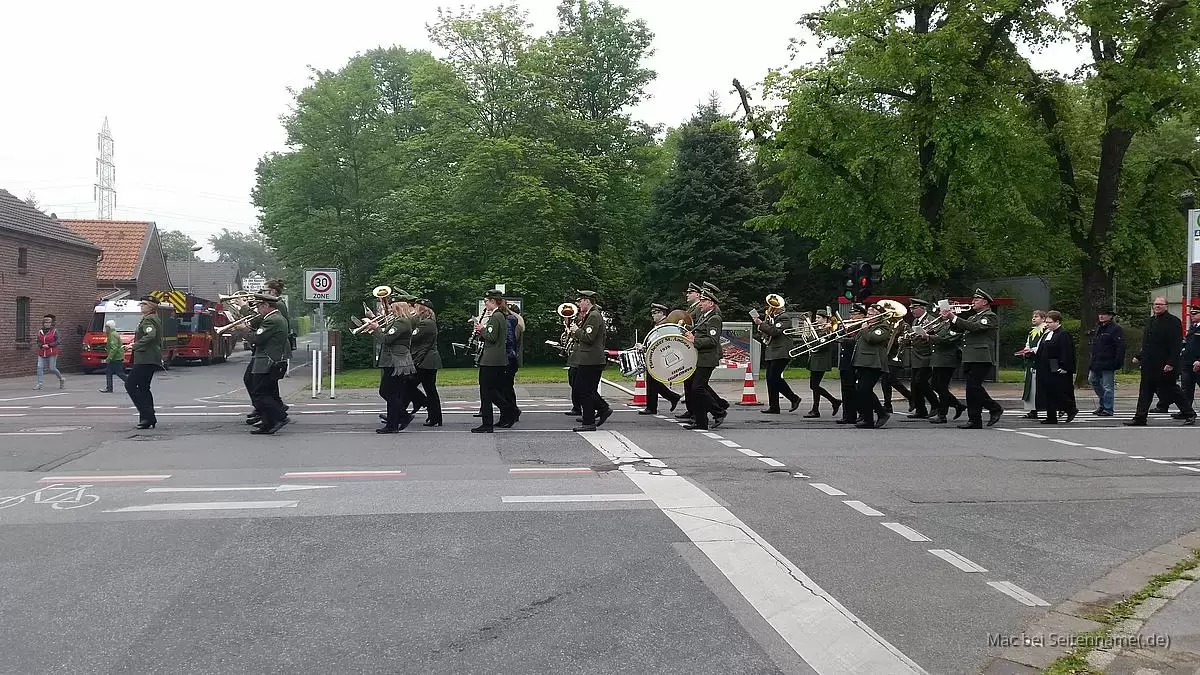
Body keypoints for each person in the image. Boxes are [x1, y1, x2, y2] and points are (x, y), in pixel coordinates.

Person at [1126, 297, 1196, 426]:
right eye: (1155, 304)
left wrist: (1171, 363)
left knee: (1171, 389)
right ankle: (1140, 417)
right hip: (1149, 363)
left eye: (1160, 304)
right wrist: (1139, 356)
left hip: (1164, 364)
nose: (1157, 306)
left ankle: (1189, 413)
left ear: (1166, 306)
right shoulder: (1151, 321)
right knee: (1145, 391)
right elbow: (1147, 343)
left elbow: (1176, 344)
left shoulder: (1173, 321)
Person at [942, 289, 1003, 429]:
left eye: (976, 300)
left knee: (973, 387)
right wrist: (951, 318)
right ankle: (975, 419)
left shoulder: (990, 316)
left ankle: (994, 408)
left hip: (982, 356)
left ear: (985, 302)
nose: (972, 302)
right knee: (971, 390)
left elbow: (975, 327)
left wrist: (954, 317)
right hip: (970, 356)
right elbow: (958, 330)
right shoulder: (972, 317)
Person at [473, 290, 519, 433]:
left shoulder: (496, 316)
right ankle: (510, 410)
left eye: (486, 301)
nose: (485, 304)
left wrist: (482, 329)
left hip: (491, 359)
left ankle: (489, 422)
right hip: (495, 359)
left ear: (493, 301)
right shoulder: (500, 315)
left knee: (486, 392)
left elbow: (492, 337)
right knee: (491, 391)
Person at [682, 288, 726, 430]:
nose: (700, 303)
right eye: (700, 301)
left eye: (703, 301)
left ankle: (718, 411)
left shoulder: (714, 319)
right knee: (696, 389)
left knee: (698, 389)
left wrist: (694, 340)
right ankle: (701, 421)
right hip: (700, 357)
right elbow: (699, 331)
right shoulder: (704, 316)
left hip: (707, 359)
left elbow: (712, 340)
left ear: (711, 303)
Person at [247, 294, 291, 435]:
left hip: (266, 361)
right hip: (270, 360)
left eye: (259, 307)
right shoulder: (277, 318)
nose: (258, 310)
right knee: (268, 393)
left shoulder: (272, 320)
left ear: (266, 306)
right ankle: (268, 423)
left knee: (260, 393)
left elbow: (257, 338)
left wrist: (243, 329)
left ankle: (280, 417)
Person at [569, 290, 612, 432]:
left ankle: (590, 421)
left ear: (587, 301)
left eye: (581, 301)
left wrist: (576, 330)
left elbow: (588, 338)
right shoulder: (591, 315)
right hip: (589, 359)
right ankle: (601, 409)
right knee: (585, 389)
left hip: (591, 360)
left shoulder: (593, 316)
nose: (578, 304)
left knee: (584, 390)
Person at [373, 296, 417, 434]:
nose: (390, 309)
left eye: (392, 307)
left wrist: (376, 329)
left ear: (398, 307)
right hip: (394, 360)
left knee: (387, 392)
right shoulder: (397, 321)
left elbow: (387, 339)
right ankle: (393, 423)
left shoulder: (402, 322)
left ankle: (402, 417)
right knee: (392, 393)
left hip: (395, 361)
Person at [753, 301, 802, 414]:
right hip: (773, 351)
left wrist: (761, 323)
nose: (772, 309)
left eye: (774, 307)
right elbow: (768, 331)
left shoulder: (784, 318)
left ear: (781, 308)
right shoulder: (774, 318)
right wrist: (762, 326)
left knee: (774, 378)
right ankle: (774, 406)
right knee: (770, 379)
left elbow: (775, 331)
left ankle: (794, 398)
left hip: (781, 352)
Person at [1033, 310, 1078, 424]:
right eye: (1047, 322)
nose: (1047, 324)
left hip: (1056, 366)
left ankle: (1070, 409)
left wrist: (1064, 366)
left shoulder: (1063, 334)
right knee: (1048, 392)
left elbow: (1066, 351)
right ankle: (1051, 417)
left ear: (1057, 322)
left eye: (1050, 322)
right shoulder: (1047, 334)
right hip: (1045, 367)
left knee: (1058, 391)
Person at [637, 303, 682, 416]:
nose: (652, 315)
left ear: (662, 313)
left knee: (653, 382)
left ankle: (653, 406)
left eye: (655, 313)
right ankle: (671, 398)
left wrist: (645, 347)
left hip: (660, 356)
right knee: (653, 382)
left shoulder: (665, 326)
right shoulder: (659, 325)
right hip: (656, 356)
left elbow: (662, 342)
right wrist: (644, 347)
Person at [852, 304, 893, 429]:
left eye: (871, 314)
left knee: (865, 390)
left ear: (878, 316)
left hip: (874, 363)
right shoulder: (868, 326)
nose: (868, 316)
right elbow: (858, 341)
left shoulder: (883, 327)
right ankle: (868, 419)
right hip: (863, 363)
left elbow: (872, 339)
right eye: (868, 314)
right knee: (861, 391)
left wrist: (864, 329)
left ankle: (882, 414)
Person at [125, 296, 162, 429]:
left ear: (151, 307)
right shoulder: (154, 318)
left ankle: (147, 415)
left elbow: (150, 335)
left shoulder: (148, 319)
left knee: (130, 385)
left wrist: (135, 345)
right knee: (143, 388)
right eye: (141, 304)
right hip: (150, 357)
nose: (141, 306)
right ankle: (147, 418)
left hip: (146, 358)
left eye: (144, 304)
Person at [928, 310, 967, 424]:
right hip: (938, 359)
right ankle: (957, 405)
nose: (941, 314)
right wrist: (929, 331)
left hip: (947, 359)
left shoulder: (956, 325)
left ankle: (942, 415)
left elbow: (947, 340)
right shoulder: (942, 324)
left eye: (945, 312)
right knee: (934, 385)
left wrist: (929, 336)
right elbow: (937, 335)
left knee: (942, 387)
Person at [409, 298, 443, 427]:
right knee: (430, 389)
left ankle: (424, 404)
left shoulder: (426, 323)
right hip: (427, 360)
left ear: (422, 309)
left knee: (410, 385)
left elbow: (413, 337)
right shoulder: (426, 322)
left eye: (416, 307)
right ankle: (435, 416)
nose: (414, 309)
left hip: (426, 361)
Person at [1086, 305, 1125, 417]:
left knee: (1108, 386)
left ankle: (1108, 408)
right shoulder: (1099, 328)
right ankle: (1103, 403)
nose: (1101, 316)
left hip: (1108, 361)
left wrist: (1117, 362)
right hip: (1097, 361)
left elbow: (1120, 346)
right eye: (1100, 314)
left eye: (1104, 314)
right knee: (1093, 380)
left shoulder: (1115, 329)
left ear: (1110, 316)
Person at [903, 299, 939, 419]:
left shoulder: (931, 320)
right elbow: (916, 337)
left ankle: (935, 404)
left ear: (922, 308)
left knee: (921, 382)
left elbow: (936, 336)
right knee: (914, 384)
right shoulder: (915, 321)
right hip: (917, 356)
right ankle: (920, 409)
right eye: (911, 308)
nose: (912, 311)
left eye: (914, 308)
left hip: (927, 355)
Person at [803, 311, 841, 418]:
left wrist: (812, 334)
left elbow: (819, 345)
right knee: (814, 386)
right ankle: (817, 408)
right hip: (815, 359)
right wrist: (808, 331)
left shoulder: (829, 331)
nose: (816, 320)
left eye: (819, 318)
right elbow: (810, 343)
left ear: (825, 319)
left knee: (814, 385)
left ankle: (832, 402)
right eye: (816, 318)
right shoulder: (818, 329)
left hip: (821, 360)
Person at [835, 304, 866, 425]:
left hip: (855, 360)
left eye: (855, 314)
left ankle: (861, 413)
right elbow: (836, 337)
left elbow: (857, 341)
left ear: (862, 315)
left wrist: (844, 339)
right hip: (845, 361)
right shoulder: (849, 326)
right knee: (846, 389)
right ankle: (848, 415)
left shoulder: (863, 326)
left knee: (855, 389)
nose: (852, 317)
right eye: (851, 314)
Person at [1016, 310, 1046, 420]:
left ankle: (1051, 408)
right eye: (1033, 316)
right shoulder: (1032, 332)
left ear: (1043, 319)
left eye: (1036, 316)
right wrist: (1026, 350)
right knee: (1031, 387)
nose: (1033, 318)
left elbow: (1042, 345)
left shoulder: (1045, 331)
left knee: (1039, 386)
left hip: (1040, 362)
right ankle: (1033, 410)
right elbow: (1028, 344)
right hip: (1031, 361)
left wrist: (1033, 351)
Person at [35, 314, 66, 390]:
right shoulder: (40, 331)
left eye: (49, 323)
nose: (47, 324)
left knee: (52, 368)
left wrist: (49, 345)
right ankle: (40, 384)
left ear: (51, 324)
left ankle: (61, 379)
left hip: (52, 352)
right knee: (39, 367)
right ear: (43, 324)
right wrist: (41, 345)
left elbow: (58, 341)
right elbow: (38, 341)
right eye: (45, 323)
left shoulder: (54, 331)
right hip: (42, 352)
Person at [1180, 302, 1200, 412]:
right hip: (1188, 362)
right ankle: (1186, 411)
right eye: (1191, 314)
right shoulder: (1192, 327)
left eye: (1195, 314)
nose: (1192, 316)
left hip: (1197, 362)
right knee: (1186, 388)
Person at [99, 319, 128, 393]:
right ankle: (109, 388)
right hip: (117, 357)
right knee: (111, 372)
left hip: (115, 358)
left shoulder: (112, 335)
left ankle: (131, 384)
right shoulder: (113, 334)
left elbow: (114, 348)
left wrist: (109, 358)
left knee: (118, 373)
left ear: (109, 327)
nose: (105, 329)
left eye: (106, 327)